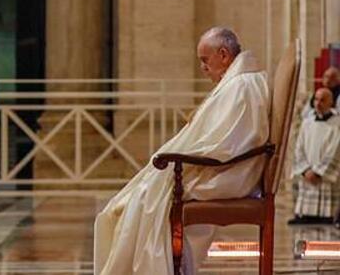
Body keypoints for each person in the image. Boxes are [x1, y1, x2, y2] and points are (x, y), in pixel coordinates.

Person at [94, 27, 269, 275]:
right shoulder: (238, 82)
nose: (203, 68)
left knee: (146, 202)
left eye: (204, 60)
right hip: (222, 167)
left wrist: (181, 157)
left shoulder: (241, 86)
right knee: (136, 199)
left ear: (223, 54)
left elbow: (228, 145)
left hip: (229, 173)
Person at [291, 88, 340, 223]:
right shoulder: (307, 122)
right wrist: (305, 170)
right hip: (307, 173)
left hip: (324, 176)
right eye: (316, 99)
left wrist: (318, 172)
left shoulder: (337, 123)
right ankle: (305, 214)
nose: (318, 103)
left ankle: (327, 217)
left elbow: (335, 150)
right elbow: (298, 147)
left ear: (331, 102)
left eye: (323, 100)